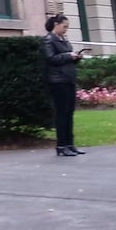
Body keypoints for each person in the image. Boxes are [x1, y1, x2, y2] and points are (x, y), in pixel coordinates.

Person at [42, 13, 87, 157]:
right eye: (64, 26)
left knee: (69, 113)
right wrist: (69, 56)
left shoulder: (64, 40)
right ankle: (61, 145)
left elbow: (66, 57)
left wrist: (76, 57)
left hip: (68, 79)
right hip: (58, 81)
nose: (66, 29)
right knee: (62, 113)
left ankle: (70, 144)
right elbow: (50, 58)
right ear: (56, 25)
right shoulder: (49, 40)